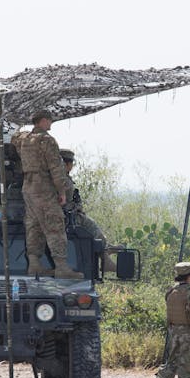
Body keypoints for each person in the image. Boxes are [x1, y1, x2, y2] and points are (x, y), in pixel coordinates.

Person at [11, 110, 83, 279]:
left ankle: (34, 265)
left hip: (28, 187)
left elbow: (14, 137)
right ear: (43, 121)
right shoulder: (47, 140)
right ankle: (61, 267)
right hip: (43, 187)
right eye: (50, 121)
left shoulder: (24, 139)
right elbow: (56, 169)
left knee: (34, 226)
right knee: (54, 225)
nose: (51, 124)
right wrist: (62, 192)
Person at [59, 149, 117, 273]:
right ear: (66, 164)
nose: (72, 166)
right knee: (92, 227)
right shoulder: (62, 180)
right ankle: (105, 254)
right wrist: (75, 208)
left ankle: (105, 250)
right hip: (65, 217)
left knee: (91, 229)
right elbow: (61, 202)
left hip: (64, 214)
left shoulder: (58, 177)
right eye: (70, 163)